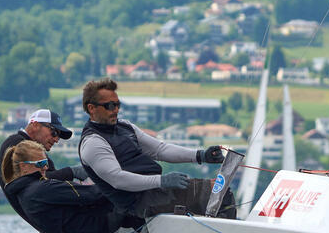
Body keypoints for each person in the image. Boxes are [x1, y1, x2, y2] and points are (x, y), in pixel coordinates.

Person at [77, 78, 234, 219]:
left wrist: (200, 155)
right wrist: (162, 181)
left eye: (117, 105)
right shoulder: (92, 142)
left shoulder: (125, 127)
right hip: (139, 203)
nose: (116, 110)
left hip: (156, 192)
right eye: (110, 106)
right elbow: (118, 179)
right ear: (92, 108)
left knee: (221, 189)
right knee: (219, 192)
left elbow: (160, 150)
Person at [1, 140, 129, 233]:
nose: (46, 167)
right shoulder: (41, 189)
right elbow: (93, 195)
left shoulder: (23, 193)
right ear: (24, 166)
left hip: (95, 228)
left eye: (45, 162)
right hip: (105, 220)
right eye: (40, 163)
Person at [0, 109, 90, 233]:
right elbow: (42, 180)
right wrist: (74, 172)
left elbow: (48, 182)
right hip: (51, 218)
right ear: (35, 125)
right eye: (54, 132)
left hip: (50, 218)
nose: (57, 139)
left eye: (59, 136)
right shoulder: (17, 144)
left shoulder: (34, 151)